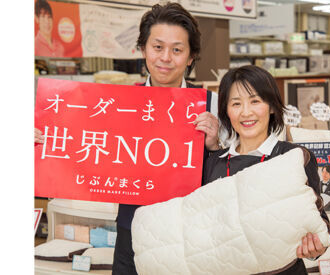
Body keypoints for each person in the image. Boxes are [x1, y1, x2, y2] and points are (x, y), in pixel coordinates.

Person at [35, 3, 221, 274]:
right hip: (131, 232)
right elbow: (82, 150)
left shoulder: (212, 105)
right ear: (143, 49)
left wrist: (214, 146)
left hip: (189, 234)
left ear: (191, 57)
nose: (166, 57)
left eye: (177, 50)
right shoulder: (115, 104)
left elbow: (231, 176)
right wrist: (44, 140)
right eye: (157, 47)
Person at [203, 65, 330, 274]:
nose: (246, 112)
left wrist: (315, 248)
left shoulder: (294, 157)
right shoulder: (213, 163)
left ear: (271, 106)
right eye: (236, 104)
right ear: (226, 111)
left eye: (255, 101)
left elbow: (321, 227)